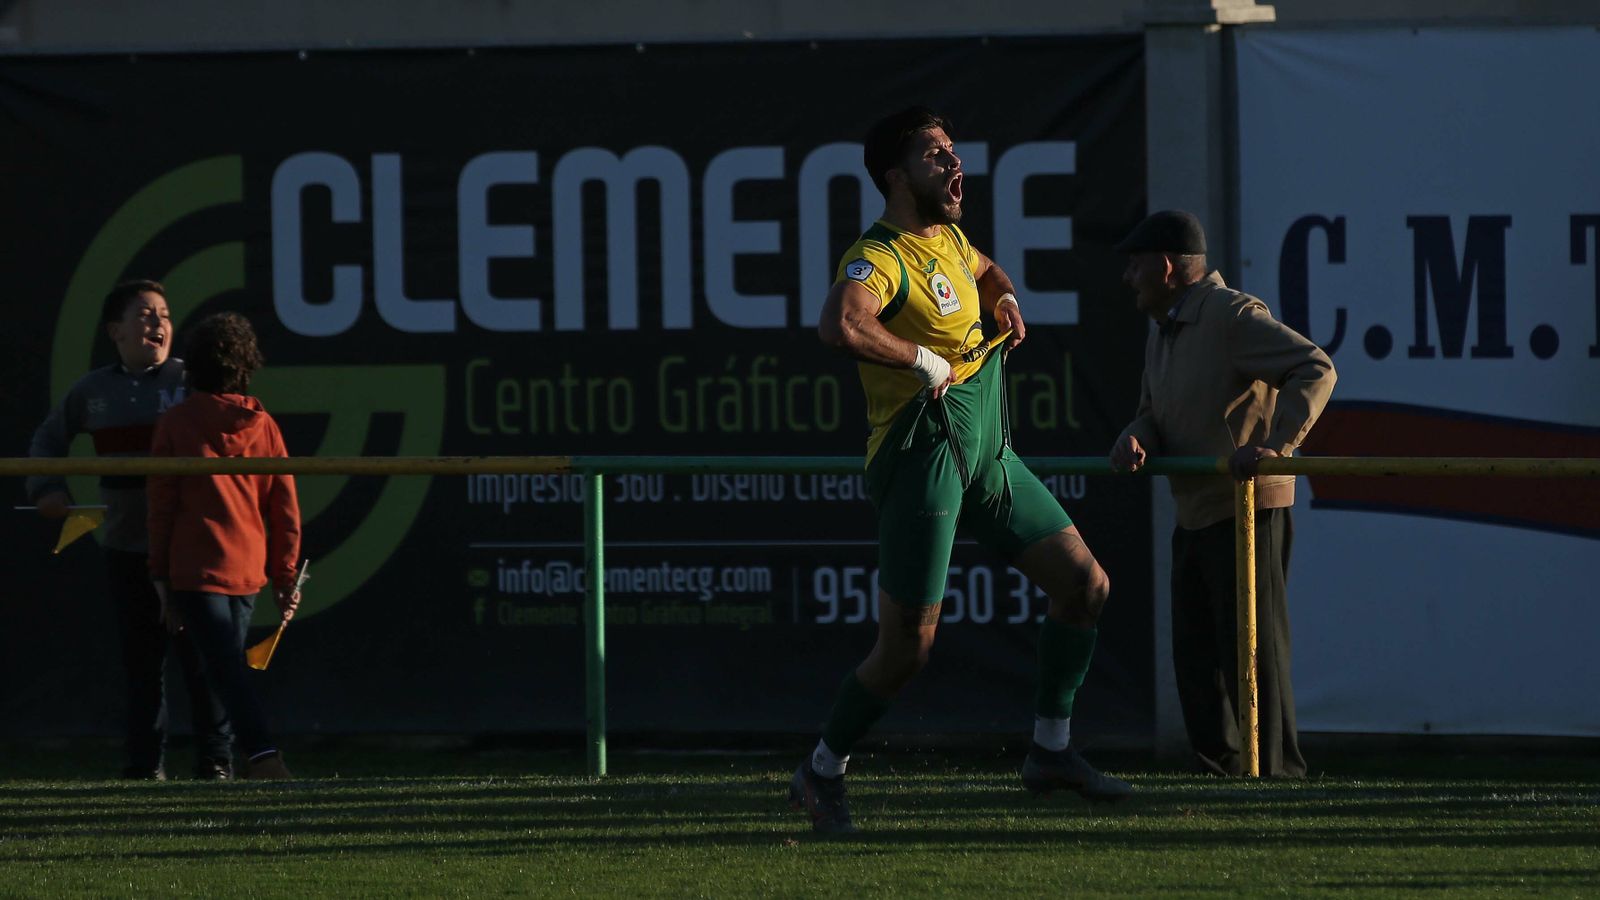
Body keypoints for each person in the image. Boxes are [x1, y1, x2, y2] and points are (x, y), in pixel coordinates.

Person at [790, 106, 1132, 834]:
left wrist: (1003, 294)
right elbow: (841, 323)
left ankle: (1050, 751)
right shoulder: (879, 255)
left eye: (953, 154)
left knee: (1085, 586)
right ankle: (821, 770)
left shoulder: (947, 237)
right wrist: (921, 358)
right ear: (895, 175)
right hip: (922, 461)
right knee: (908, 648)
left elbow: (982, 267)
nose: (954, 167)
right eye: (935, 156)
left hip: (987, 458)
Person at [1109, 210, 1336, 778]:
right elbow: (1150, 417)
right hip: (1195, 511)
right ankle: (1224, 770)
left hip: (1246, 511)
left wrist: (1279, 447)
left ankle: (1279, 774)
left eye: (1134, 266)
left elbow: (1315, 367)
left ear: (1166, 266)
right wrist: (1134, 436)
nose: (1126, 278)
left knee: (1253, 656)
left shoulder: (1231, 314)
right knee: (1196, 657)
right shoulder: (1163, 331)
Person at [26, 279, 235, 780]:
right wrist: (46, 489)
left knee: (203, 661)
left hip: (191, 549)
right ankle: (145, 766)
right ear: (114, 331)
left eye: (164, 314)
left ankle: (216, 761)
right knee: (143, 665)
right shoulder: (92, 390)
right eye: (144, 315)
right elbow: (46, 441)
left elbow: (239, 435)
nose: (158, 324)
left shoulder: (194, 382)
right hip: (127, 546)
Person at [147, 311, 302, 780]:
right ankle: (226, 761)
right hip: (247, 568)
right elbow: (285, 509)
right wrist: (285, 573)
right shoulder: (265, 426)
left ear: (193, 365)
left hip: (196, 568)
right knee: (224, 666)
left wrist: (158, 573)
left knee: (224, 667)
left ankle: (257, 757)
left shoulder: (176, 423)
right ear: (245, 365)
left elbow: (162, 506)